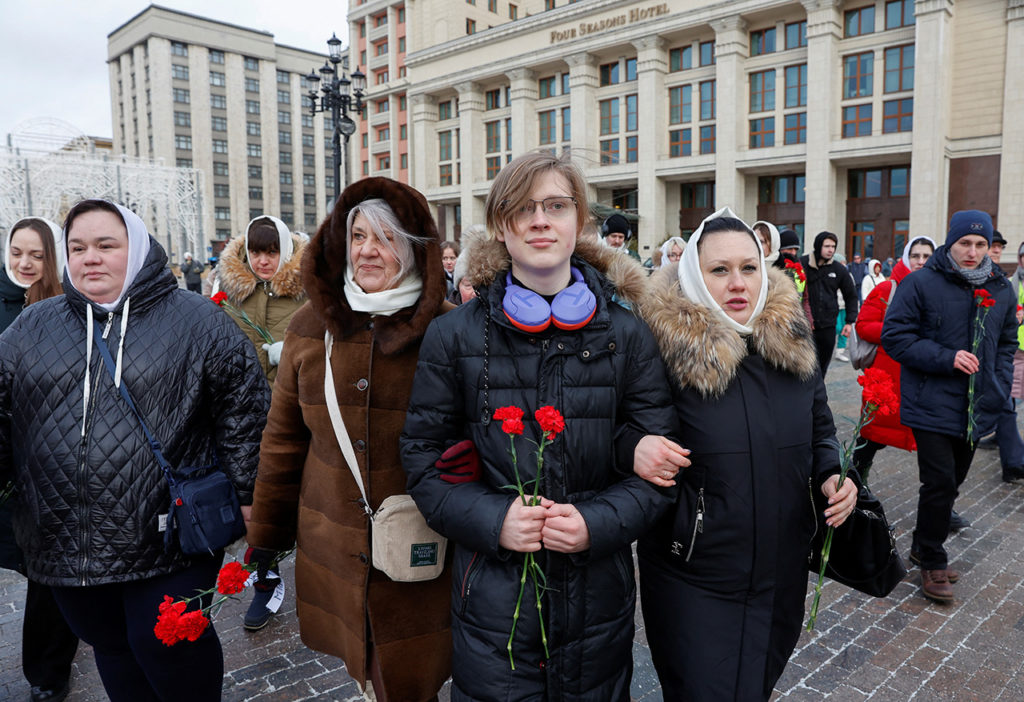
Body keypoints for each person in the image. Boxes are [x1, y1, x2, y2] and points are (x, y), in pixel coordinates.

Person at [400, 151, 685, 701]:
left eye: (556, 205)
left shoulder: (627, 335)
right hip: (493, 602)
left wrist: (596, 523)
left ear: (579, 222)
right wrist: (494, 520)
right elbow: (423, 461)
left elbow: (658, 469)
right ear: (501, 227)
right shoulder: (454, 337)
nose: (540, 220)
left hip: (596, 600)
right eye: (522, 209)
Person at [0, 199, 269, 701]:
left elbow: (244, 413)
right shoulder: (32, 328)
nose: (90, 258)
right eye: (78, 248)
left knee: (169, 645)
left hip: (169, 536)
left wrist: (251, 493)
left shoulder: (197, 321)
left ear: (138, 248)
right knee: (109, 643)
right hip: (67, 539)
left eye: (107, 245)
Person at [635, 208, 857, 701]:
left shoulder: (791, 343)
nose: (738, 283)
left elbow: (821, 429)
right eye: (719, 270)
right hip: (694, 574)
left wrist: (831, 474)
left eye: (748, 267)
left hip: (780, 569)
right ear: (695, 274)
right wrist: (634, 447)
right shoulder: (659, 349)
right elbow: (619, 431)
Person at [245, 178, 454, 702]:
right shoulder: (310, 326)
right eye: (358, 236)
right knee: (362, 667)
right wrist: (266, 533)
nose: (367, 250)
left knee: (413, 675)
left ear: (413, 248)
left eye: (385, 238)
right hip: (335, 539)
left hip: (424, 544)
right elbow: (284, 439)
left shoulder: (450, 330)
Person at [882, 210, 1017, 603]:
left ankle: (923, 544)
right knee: (939, 481)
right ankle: (932, 561)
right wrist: (946, 357)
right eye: (964, 244)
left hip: (978, 405)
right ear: (950, 242)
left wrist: (1000, 381)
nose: (972, 252)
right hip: (931, 402)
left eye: (980, 244)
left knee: (953, 482)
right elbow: (896, 336)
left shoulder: (1001, 287)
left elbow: (1007, 343)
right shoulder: (921, 283)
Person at [0, 217, 79, 702]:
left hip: (48, 466)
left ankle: (48, 672)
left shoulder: (68, 308)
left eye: (37, 254)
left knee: (47, 575)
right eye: (17, 252)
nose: (25, 263)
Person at [217, 216, 307, 391]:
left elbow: (324, 349)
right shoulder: (230, 291)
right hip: (241, 400)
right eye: (256, 253)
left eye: (272, 252)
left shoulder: (307, 290)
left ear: (286, 251)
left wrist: (292, 354)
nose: (263, 261)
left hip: (289, 400)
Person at [975, 230, 1024, 482]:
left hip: (1002, 354)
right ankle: (1014, 461)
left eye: (998, 247)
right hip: (976, 358)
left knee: (1006, 405)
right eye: (991, 246)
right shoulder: (978, 277)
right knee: (1004, 405)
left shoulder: (1002, 281)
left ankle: (1014, 462)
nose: (996, 250)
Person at [802, 231, 859, 375]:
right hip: (805, 326)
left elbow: (851, 296)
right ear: (818, 246)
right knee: (804, 368)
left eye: (833, 246)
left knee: (822, 368)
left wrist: (849, 321)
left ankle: (817, 396)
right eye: (827, 246)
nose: (831, 250)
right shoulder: (802, 264)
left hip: (828, 327)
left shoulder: (838, 269)